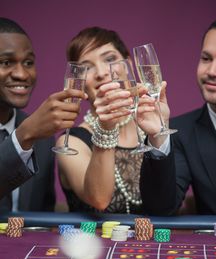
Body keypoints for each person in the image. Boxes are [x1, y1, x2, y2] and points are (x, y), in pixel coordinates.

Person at [139, 15, 216, 216]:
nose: (212, 71)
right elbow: (160, 209)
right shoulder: (183, 132)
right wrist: (158, 136)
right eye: (206, 59)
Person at [56, 26, 156, 214]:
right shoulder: (72, 143)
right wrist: (107, 127)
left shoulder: (152, 126)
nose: (101, 72)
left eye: (109, 59)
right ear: (79, 80)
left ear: (128, 63)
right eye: (87, 67)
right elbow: (99, 200)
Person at [0, 18, 86, 211]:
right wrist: (23, 137)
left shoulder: (42, 136)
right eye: (6, 62)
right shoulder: (31, 131)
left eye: (28, 62)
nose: (22, 74)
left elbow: (44, 213)